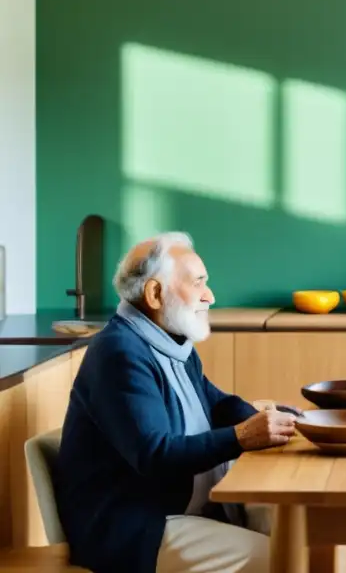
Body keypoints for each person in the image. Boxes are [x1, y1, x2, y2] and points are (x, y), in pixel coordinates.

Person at [55, 232, 298, 573]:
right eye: (198, 283)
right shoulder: (120, 352)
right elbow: (154, 454)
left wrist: (271, 420)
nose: (209, 296)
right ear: (155, 293)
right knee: (284, 559)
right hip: (136, 524)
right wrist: (243, 436)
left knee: (300, 534)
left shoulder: (170, 341)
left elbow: (216, 402)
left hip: (183, 506)